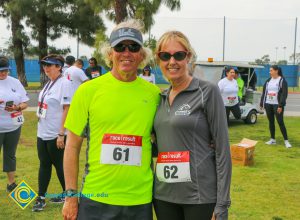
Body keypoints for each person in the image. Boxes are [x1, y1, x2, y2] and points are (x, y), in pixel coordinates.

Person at [62, 19, 160, 220]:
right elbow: (72, 146)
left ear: (142, 55)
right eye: (119, 47)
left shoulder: (154, 95)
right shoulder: (87, 91)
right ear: (109, 53)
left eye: (133, 47)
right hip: (96, 197)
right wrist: (71, 197)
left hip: (139, 200)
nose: (126, 52)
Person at [153, 31, 231, 220]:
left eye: (178, 55)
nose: (172, 61)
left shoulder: (207, 91)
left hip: (200, 196)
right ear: (159, 60)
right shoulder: (159, 98)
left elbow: (222, 150)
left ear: (188, 57)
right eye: (165, 56)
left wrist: (222, 204)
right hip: (163, 197)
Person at [32, 54, 73, 212]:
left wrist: (61, 133)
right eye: (44, 65)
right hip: (42, 131)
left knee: (60, 165)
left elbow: (67, 108)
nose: (46, 68)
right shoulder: (49, 83)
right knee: (44, 164)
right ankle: (41, 197)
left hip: (56, 133)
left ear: (59, 67)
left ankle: (67, 194)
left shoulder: (64, 83)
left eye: (50, 65)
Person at [0, 55, 29, 192]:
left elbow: (24, 103)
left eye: (5, 70)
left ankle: (11, 184)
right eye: (0, 70)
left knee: (10, 155)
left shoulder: (15, 82)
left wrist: (17, 108)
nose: (3, 73)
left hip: (13, 126)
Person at [260, 65, 291, 148]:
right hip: (268, 104)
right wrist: (262, 104)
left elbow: (284, 94)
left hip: (277, 105)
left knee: (280, 122)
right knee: (271, 122)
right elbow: (264, 92)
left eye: (271, 70)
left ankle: (286, 141)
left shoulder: (282, 80)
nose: (269, 72)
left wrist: (280, 105)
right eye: (270, 70)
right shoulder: (268, 81)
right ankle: (272, 139)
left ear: (276, 71)